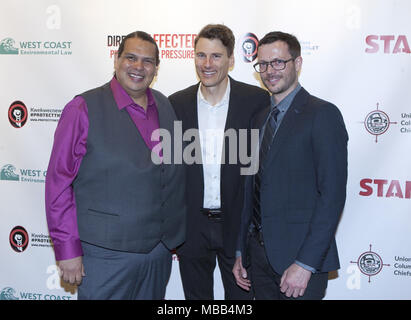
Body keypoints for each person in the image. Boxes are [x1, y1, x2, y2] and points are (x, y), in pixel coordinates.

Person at [45, 31, 186, 300]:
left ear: (156, 68)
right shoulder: (82, 108)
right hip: (104, 255)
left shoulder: (165, 105)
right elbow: (58, 183)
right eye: (130, 58)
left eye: (147, 61)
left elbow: (170, 174)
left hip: (157, 254)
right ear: (116, 60)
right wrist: (66, 249)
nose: (138, 67)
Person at [233, 31, 348, 300]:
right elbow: (250, 191)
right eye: (263, 64)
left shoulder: (322, 114)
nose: (269, 71)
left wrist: (306, 264)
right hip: (258, 260)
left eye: (278, 62)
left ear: (297, 63)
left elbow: (332, 197)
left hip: (299, 262)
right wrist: (241, 251)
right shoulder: (258, 119)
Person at [169, 24, 270, 300]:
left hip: (238, 227)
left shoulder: (257, 101)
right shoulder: (176, 104)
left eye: (215, 56)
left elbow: (264, 167)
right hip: (192, 228)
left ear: (231, 60)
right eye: (201, 55)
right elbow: (167, 169)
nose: (207, 64)